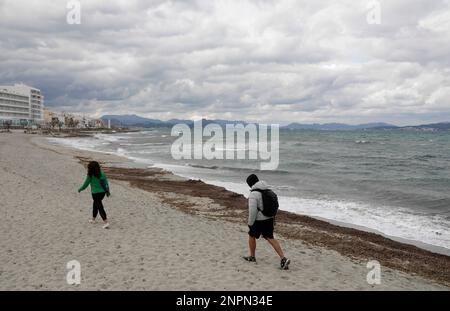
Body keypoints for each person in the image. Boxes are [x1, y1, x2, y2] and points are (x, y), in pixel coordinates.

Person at [243, 174, 290, 270]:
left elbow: (252, 211)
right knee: (270, 237)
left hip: (259, 220)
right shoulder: (268, 190)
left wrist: (250, 223)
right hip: (270, 218)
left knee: (251, 235)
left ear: (250, 184)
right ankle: (283, 258)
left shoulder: (253, 194)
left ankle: (252, 257)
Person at [78, 161, 111, 229]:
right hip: (102, 193)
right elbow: (106, 183)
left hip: (95, 193)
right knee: (95, 205)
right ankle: (93, 219)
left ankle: (106, 222)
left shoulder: (90, 175)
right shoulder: (102, 173)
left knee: (99, 206)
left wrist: (80, 189)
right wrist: (108, 192)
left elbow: (85, 184)